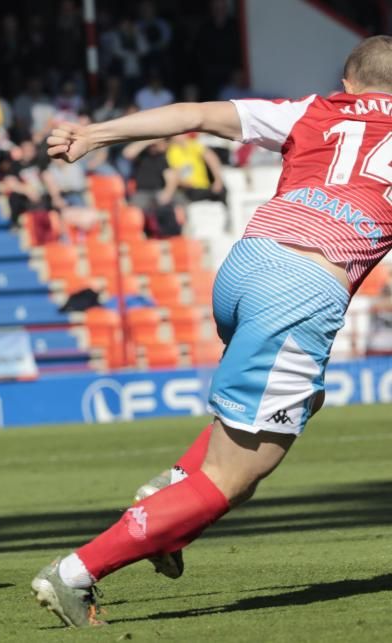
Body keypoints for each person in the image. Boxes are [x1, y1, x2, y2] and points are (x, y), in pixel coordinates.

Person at [30, 35, 392, 627]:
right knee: (235, 475)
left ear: (348, 83)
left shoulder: (314, 110)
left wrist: (95, 135)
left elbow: (195, 115)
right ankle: (76, 572)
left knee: (302, 401)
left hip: (245, 266)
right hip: (302, 289)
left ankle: (171, 495)